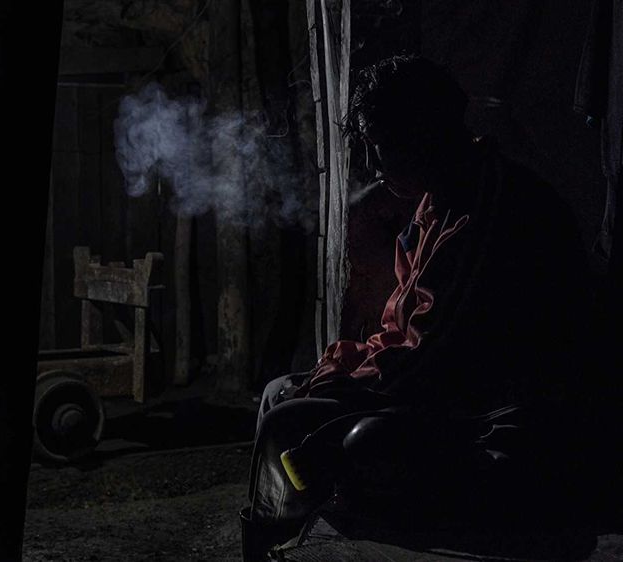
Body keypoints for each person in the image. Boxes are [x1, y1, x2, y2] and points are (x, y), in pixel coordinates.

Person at [239, 55, 594, 561]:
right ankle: (279, 539)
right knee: (280, 393)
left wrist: (347, 382)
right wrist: (340, 366)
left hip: (491, 408)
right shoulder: (437, 203)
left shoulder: (487, 208)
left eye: (378, 144)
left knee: (291, 424)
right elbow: (403, 328)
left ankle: (272, 545)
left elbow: (433, 354)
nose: (373, 164)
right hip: (437, 385)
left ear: (421, 132)